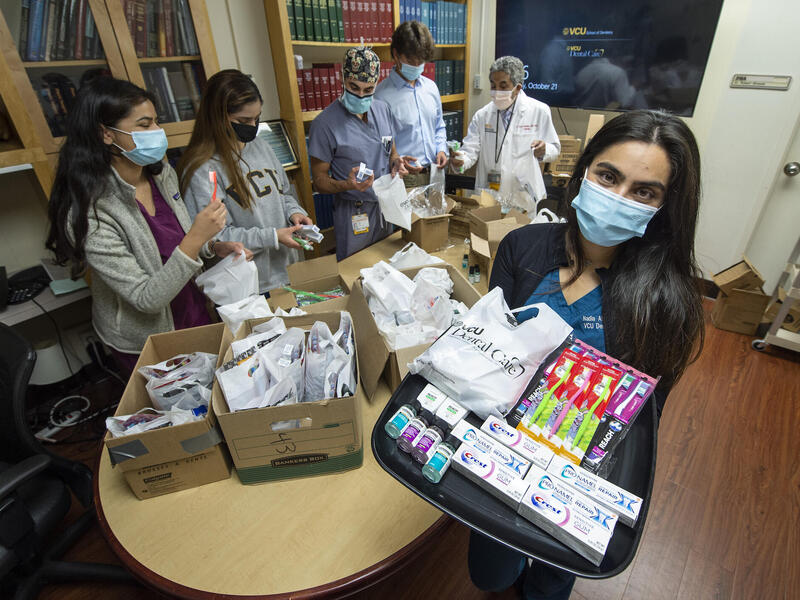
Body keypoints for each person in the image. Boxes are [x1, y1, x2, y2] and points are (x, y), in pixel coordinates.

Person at [470, 109, 706, 599]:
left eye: (644, 192)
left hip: (582, 470)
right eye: (608, 176)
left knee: (552, 578)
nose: (617, 198)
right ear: (583, 173)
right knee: (489, 575)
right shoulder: (522, 248)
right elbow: (492, 347)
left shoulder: (665, 304)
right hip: (505, 445)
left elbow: (640, 422)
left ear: (665, 207)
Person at [45, 77, 249, 375]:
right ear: (106, 134)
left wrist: (214, 246)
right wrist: (197, 236)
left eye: (156, 121)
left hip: (193, 311)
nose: (157, 132)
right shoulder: (91, 211)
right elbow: (146, 298)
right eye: (144, 125)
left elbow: (176, 243)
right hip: (149, 340)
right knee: (180, 414)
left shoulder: (161, 175)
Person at [179, 69, 311, 294]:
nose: (252, 126)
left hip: (287, 271)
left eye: (256, 118)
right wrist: (272, 237)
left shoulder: (261, 146)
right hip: (248, 284)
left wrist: (294, 212)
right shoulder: (203, 168)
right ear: (219, 117)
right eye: (243, 120)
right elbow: (213, 238)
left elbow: (284, 193)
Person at [308, 47, 408, 261]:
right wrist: (347, 184)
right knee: (357, 272)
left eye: (368, 89)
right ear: (343, 79)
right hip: (355, 212)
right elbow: (319, 181)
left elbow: (390, 149)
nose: (360, 95)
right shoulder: (325, 124)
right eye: (354, 87)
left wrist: (396, 162)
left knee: (389, 268)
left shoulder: (383, 110)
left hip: (386, 207)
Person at [452, 56, 560, 208]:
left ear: (518, 87)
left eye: (503, 86)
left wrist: (544, 150)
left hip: (523, 195)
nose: (497, 92)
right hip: (490, 193)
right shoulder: (483, 115)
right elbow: (470, 150)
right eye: (493, 85)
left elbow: (555, 149)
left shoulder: (539, 111)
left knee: (522, 229)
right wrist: (460, 161)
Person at [374, 20, 447, 188]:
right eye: (410, 60)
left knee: (439, 215)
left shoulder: (431, 88)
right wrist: (394, 160)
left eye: (420, 61)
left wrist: (441, 149)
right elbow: (380, 142)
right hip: (404, 178)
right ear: (396, 54)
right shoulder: (381, 96)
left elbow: (439, 126)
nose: (416, 66)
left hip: (435, 173)